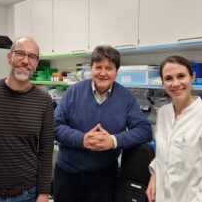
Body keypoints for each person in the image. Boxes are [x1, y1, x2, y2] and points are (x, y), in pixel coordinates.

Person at [53, 45, 153, 202]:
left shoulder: (125, 97)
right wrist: (82, 139)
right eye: (98, 67)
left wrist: (113, 141)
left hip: (104, 179)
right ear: (91, 69)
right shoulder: (74, 92)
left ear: (116, 71)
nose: (103, 73)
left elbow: (145, 130)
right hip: (68, 176)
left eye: (109, 68)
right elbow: (55, 125)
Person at [146, 56, 202, 202]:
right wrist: (155, 175)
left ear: (192, 77)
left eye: (181, 76)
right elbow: (163, 154)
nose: (175, 83)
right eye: (168, 78)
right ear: (163, 83)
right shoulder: (163, 113)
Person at [0, 36, 54, 202]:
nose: (25, 61)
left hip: (27, 194)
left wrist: (44, 193)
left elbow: (46, 151)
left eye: (32, 57)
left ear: (36, 63)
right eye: (20, 54)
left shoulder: (44, 101)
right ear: (9, 57)